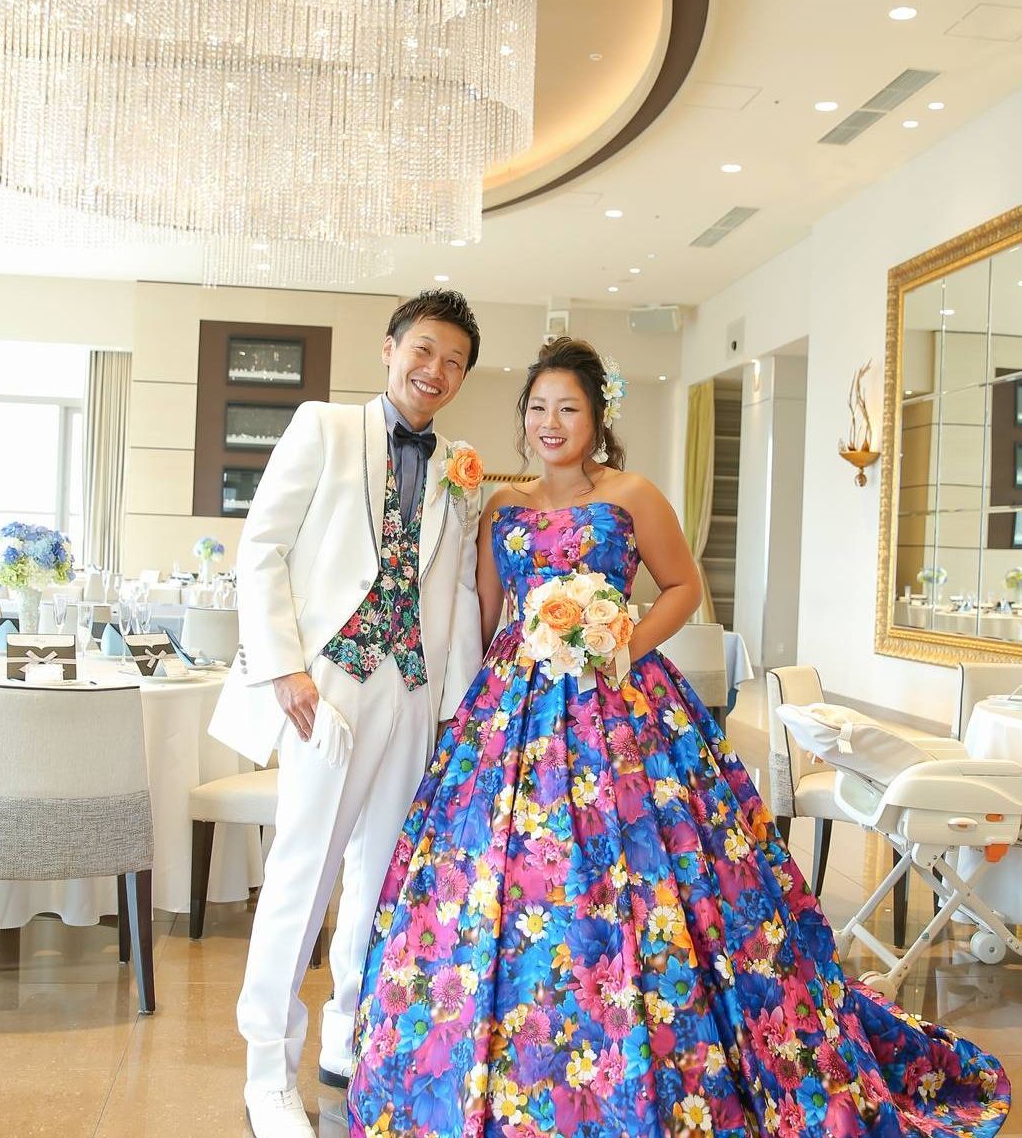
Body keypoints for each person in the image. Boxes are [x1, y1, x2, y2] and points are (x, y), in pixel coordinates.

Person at [347, 337, 1011, 1136]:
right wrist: (464, 707)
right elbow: (487, 617)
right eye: (538, 408)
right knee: (496, 883)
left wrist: (620, 641)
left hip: (622, 704)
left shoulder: (632, 494)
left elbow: (682, 586)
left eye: (568, 408)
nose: (551, 423)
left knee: (657, 873)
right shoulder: (501, 507)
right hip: (512, 709)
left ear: (596, 419)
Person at [209, 290, 485, 1138]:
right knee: (305, 872)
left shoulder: (460, 467)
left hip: (415, 689)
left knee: (383, 874)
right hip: (327, 685)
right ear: (390, 348)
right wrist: (285, 668)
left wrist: (457, 705)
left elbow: (459, 591)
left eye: (453, 362)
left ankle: (349, 1035)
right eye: (423, 350)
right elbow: (262, 548)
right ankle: (267, 1070)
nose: (435, 370)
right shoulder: (323, 427)